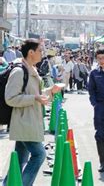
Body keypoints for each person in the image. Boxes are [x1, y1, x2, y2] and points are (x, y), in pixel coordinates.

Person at [4, 39, 62, 186]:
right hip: (24, 121)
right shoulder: (19, 71)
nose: (42, 53)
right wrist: (35, 98)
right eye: (40, 50)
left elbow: (35, 94)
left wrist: (50, 91)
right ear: (31, 52)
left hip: (30, 120)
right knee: (39, 154)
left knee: (19, 160)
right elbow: (10, 98)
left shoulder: (31, 69)